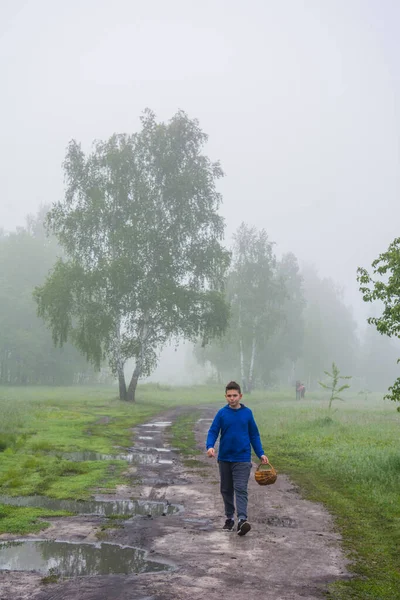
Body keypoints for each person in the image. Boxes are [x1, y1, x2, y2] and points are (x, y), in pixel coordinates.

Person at [206, 381, 268, 536]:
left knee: (240, 488)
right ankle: (229, 518)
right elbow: (213, 431)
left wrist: (260, 453)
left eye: (235, 395)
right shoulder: (222, 413)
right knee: (226, 489)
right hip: (225, 458)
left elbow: (254, 434)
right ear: (225, 397)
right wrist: (210, 446)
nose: (232, 398)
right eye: (229, 396)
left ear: (240, 396)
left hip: (242, 458)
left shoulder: (247, 413)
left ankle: (242, 520)